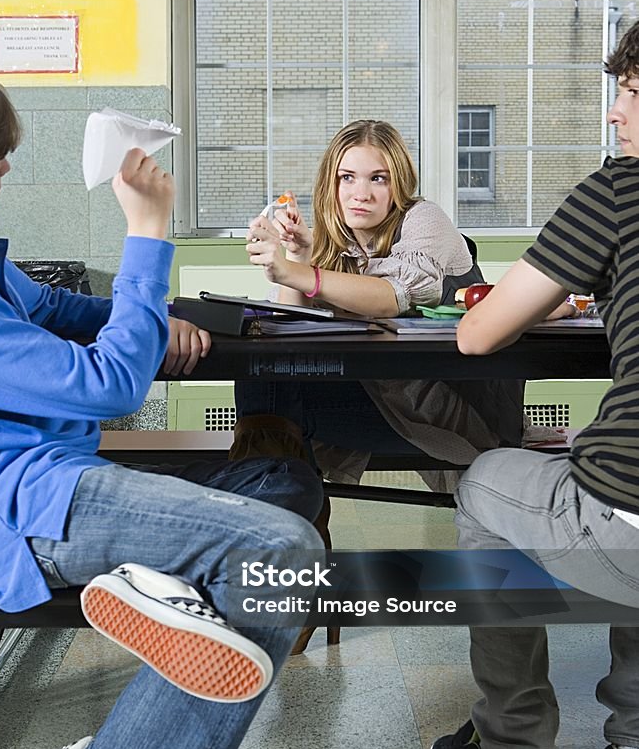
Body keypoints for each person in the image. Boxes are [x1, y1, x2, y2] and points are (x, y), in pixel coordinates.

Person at [0, 62, 324, 749]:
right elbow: (112, 387)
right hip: (17, 506)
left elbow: (66, 312)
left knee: (285, 477)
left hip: (66, 479)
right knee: (284, 555)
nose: (9, 168)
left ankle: (158, 585)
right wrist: (148, 231)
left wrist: (149, 315)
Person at [232, 120, 559, 649]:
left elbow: (393, 294)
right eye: (347, 178)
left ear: (399, 183)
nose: (361, 193)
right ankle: (291, 570)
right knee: (266, 376)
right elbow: (285, 329)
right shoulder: (339, 240)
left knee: (269, 392)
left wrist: (300, 274)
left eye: (378, 178)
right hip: (382, 400)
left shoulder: (426, 222)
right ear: (329, 186)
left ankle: (288, 579)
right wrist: (293, 261)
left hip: (446, 411)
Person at [427, 18, 639, 749]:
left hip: (624, 527)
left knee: (487, 479)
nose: (616, 114)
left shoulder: (616, 189)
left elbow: (476, 333)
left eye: (628, 92)